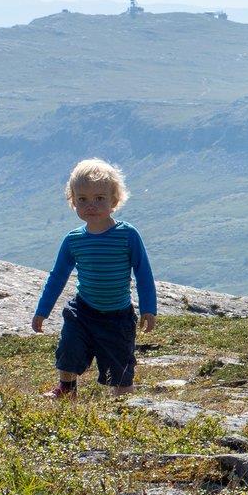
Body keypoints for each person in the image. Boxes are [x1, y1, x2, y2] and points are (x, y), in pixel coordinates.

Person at [31, 158, 158, 398]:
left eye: (99, 198)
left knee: (120, 368)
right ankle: (66, 390)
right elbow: (57, 277)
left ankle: (123, 402)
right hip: (83, 311)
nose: (91, 205)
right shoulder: (73, 240)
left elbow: (143, 273)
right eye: (82, 199)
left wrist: (149, 308)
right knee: (69, 348)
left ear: (114, 200)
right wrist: (42, 311)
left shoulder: (127, 235)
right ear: (73, 201)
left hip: (117, 316)